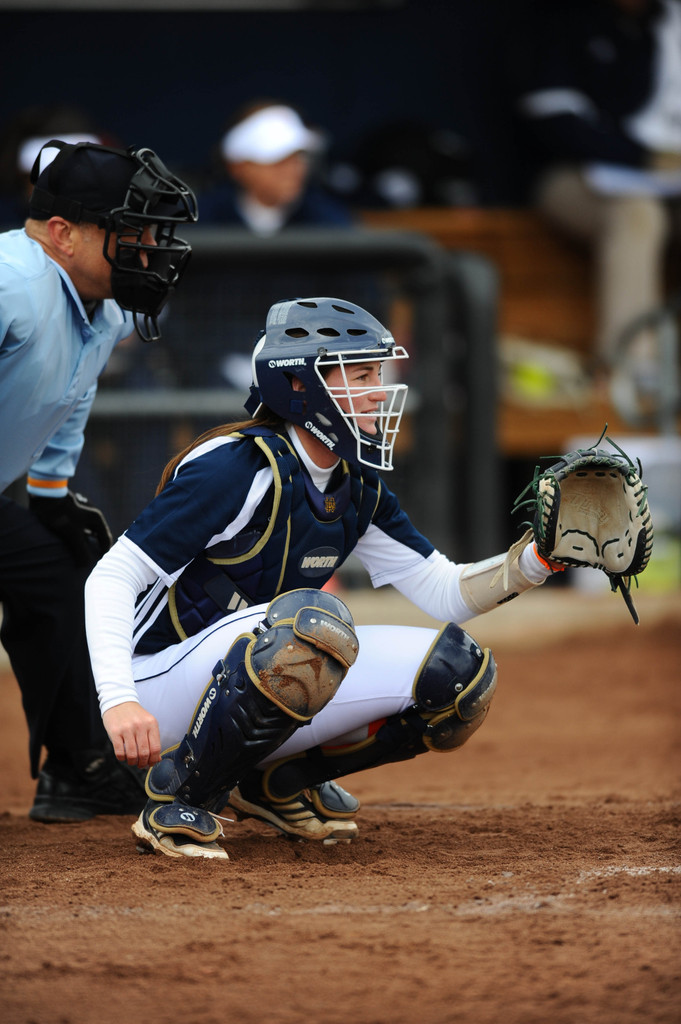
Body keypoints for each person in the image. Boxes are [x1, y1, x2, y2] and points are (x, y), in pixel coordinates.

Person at [83, 295, 562, 861]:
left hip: (255, 662)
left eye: (378, 374)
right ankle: (178, 796)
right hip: (154, 684)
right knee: (313, 626)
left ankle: (275, 781)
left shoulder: (354, 482)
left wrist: (540, 559)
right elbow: (109, 577)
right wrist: (118, 701)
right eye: (361, 375)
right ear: (302, 387)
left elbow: (445, 592)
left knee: (460, 676)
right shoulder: (234, 466)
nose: (380, 391)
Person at [0, 138, 198, 822]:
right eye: (128, 232)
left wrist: (51, 495)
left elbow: (67, 405)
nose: (146, 249)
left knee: (59, 576)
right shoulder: (9, 283)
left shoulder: (103, 308)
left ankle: (80, 768)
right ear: (61, 233)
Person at [512, 0, 681, 381]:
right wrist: (646, 158)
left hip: (665, 183)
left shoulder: (664, 23)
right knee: (638, 215)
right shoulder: (561, 22)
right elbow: (555, 125)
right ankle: (630, 374)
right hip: (575, 176)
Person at [199, 100, 354, 233]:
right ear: (238, 167)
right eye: (277, 160)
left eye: (298, 158)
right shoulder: (201, 221)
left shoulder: (329, 222)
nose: (293, 170)